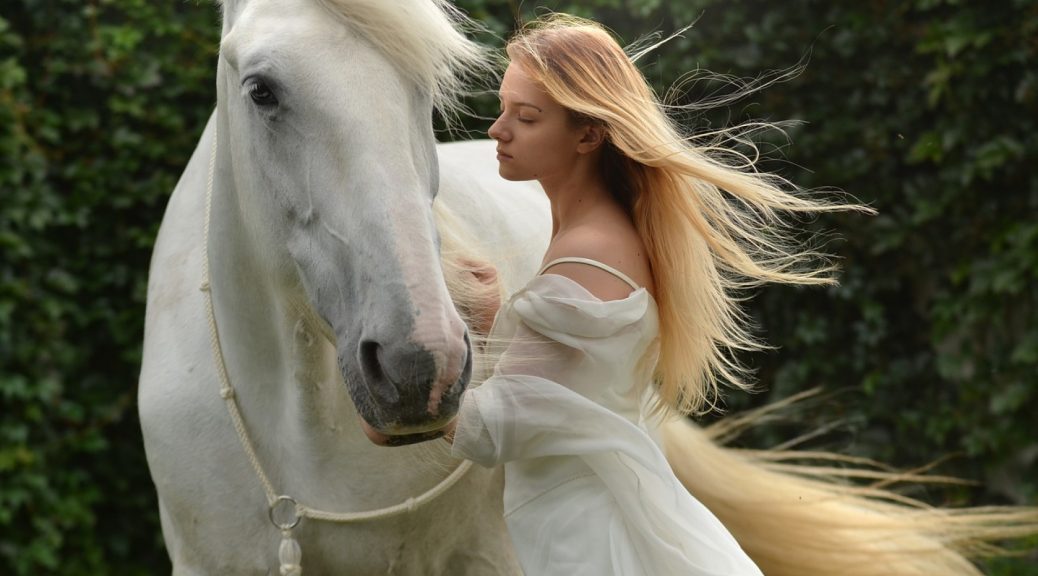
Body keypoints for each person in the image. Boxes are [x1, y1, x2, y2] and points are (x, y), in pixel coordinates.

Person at [442, 13, 1036, 576]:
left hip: (587, 539)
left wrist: (404, 404)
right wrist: (494, 315)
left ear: (589, 134)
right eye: (502, 110)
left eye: (526, 116)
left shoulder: (588, 251)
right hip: (585, 517)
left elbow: (488, 433)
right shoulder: (599, 234)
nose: (497, 131)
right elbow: (564, 390)